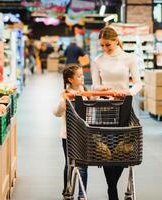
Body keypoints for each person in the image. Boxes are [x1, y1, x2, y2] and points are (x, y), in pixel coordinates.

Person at [91, 26, 142, 200]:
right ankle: (112, 191)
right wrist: (101, 88)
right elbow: (94, 85)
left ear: (116, 40)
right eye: (102, 46)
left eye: (108, 45)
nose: (105, 49)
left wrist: (129, 93)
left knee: (123, 149)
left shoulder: (129, 59)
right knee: (107, 150)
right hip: (104, 107)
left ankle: (111, 187)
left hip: (124, 106)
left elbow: (138, 83)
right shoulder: (98, 60)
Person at [53, 64, 88, 200]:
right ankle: (67, 191)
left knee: (83, 164)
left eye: (82, 75)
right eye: (79, 76)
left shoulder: (85, 92)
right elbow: (56, 112)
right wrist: (65, 100)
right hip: (68, 135)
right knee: (69, 163)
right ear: (70, 80)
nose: (82, 77)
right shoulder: (65, 94)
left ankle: (82, 194)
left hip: (84, 135)